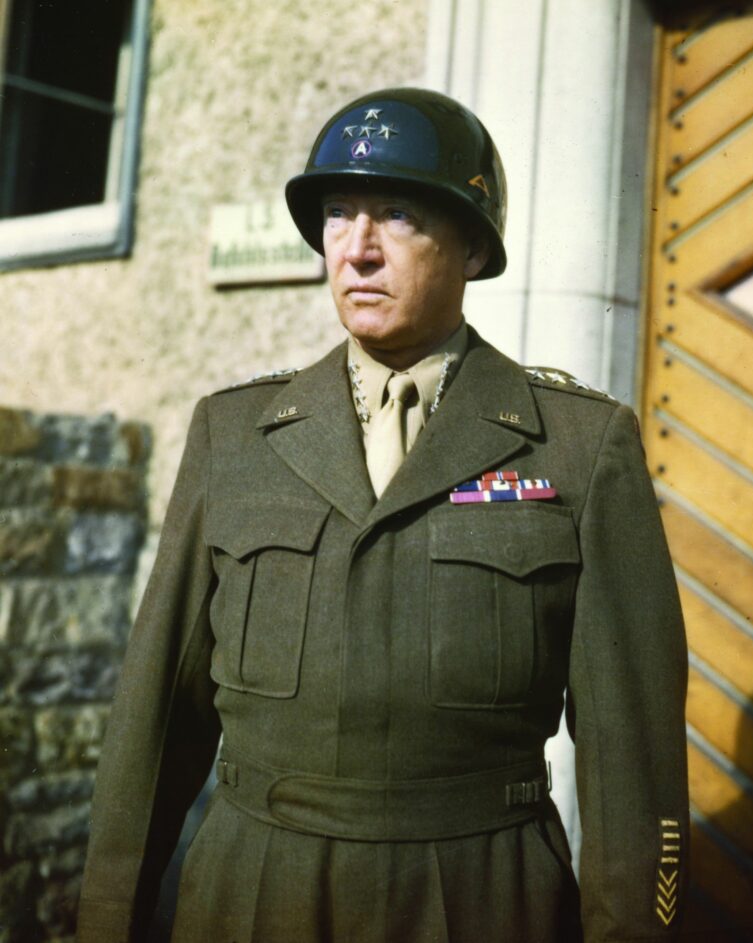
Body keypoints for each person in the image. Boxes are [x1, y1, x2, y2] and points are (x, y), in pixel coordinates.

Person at [76, 88, 689, 943]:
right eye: (337, 215)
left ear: (473, 245)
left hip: (480, 894)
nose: (356, 250)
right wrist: (108, 920)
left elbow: (634, 759)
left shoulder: (580, 447)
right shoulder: (236, 434)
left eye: (396, 215)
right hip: (255, 890)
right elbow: (156, 718)